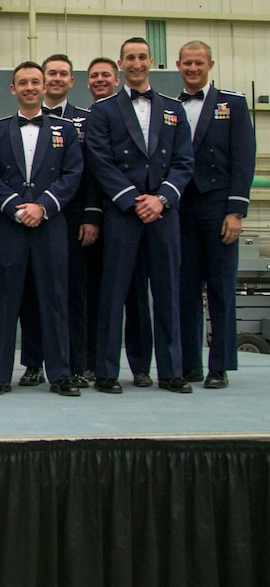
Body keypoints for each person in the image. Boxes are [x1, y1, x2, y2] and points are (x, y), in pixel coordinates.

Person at [85, 37, 194, 394]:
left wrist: (161, 199)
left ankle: (172, 371)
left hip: (163, 213)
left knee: (167, 293)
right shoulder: (103, 110)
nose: (136, 63)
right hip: (124, 212)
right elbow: (101, 162)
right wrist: (134, 200)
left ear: (152, 62)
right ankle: (106, 372)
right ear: (121, 64)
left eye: (142, 57)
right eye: (129, 58)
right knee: (113, 294)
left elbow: (183, 161)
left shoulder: (173, 109)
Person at [0, 62, 83, 396]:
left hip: (50, 224)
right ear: (12, 89)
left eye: (34, 82)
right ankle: (0, 376)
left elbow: (72, 175)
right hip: (9, 225)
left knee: (54, 299)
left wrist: (44, 206)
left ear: (43, 87)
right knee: (6, 300)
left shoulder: (66, 130)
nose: (29, 87)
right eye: (22, 82)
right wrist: (13, 207)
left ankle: (61, 374)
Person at [16, 54, 101, 389]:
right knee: (30, 295)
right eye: (50, 73)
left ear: (71, 81)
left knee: (70, 295)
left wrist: (91, 215)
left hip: (69, 220)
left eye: (62, 74)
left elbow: (91, 172)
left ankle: (75, 363)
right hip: (25, 219)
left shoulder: (84, 121)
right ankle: (34, 363)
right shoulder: (16, 122)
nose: (55, 79)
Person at [175, 40, 255, 388]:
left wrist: (236, 210)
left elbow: (244, 158)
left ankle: (219, 365)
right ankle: (190, 364)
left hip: (218, 205)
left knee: (220, 287)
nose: (193, 69)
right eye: (187, 64)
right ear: (178, 65)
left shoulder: (233, 103)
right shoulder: (171, 107)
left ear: (211, 64)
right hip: (180, 208)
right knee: (185, 289)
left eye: (198, 63)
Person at [81, 57, 153, 385]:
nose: (99, 80)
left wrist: (139, 201)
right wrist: (93, 215)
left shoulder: (140, 114)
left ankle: (139, 366)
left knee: (137, 294)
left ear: (117, 77)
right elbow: (94, 170)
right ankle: (97, 363)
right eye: (94, 76)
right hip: (95, 218)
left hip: (134, 214)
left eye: (105, 75)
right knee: (97, 295)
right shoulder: (88, 117)